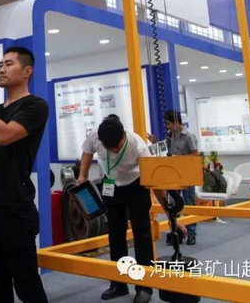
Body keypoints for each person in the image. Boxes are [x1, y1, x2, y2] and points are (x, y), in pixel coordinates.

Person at [78, 115, 186, 303]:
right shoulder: (96, 136)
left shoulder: (138, 147)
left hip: (136, 185)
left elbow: (154, 182)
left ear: (123, 136)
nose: (113, 150)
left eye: (117, 147)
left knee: (142, 235)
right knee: (115, 236)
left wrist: (169, 214)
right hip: (111, 186)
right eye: (109, 148)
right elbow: (87, 152)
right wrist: (82, 176)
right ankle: (118, 284)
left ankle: (144, 287)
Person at [0, 46, 49, 303]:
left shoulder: (35, 106)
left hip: (16, 206)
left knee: (27, 284)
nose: (1, 69)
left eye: (9, 64)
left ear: (27, 71)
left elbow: (5, 135)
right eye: (0, 64)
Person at [164, 109, 199, 245]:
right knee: (173, 204)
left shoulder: (189, 136)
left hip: (187, 175)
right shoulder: (171, 135)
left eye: (168, 123)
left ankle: (191, 233)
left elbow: (195, 155)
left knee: (189, 204)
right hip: (174, 175)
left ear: (175, 122)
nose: (167, 126)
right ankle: (176, 233)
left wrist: (178, 158)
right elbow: (166, 148)